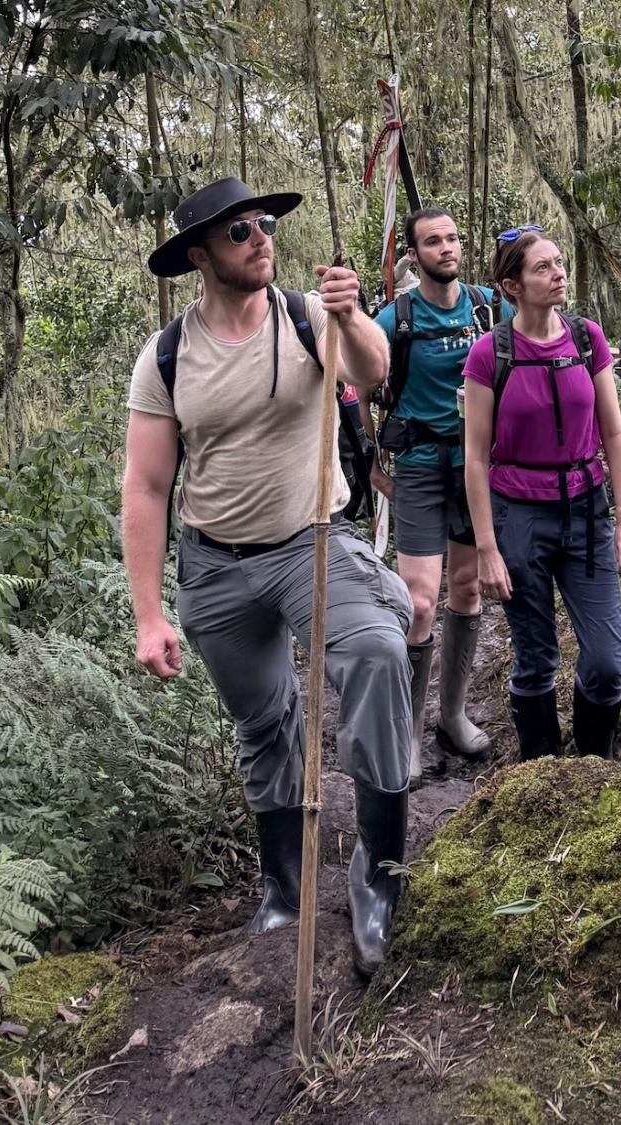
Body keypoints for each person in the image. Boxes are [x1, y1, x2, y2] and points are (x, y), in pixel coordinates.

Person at [122, 176, 409, 978]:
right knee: (265, 724)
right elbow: (146, 487)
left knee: (378, 654)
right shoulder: (168, 357)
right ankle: (283, 887)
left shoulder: (304, 316)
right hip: (216, 564)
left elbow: (372, 372)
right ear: (199, 256)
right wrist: (150, 614)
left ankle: (380, 874)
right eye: (239, 230)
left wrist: (351, 316)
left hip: (311, 539)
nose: (259, 238)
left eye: (262, 225)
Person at [461, 228, 621, 759]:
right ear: (511, 286)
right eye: (543, 267)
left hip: (587, 512)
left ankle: (593, 766)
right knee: (536, 657)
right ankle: (540, 772)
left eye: (559, 263)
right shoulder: (489, 355)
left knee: (608, 661)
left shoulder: (586, 339)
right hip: (518, 517)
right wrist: (487, 549)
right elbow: (475, 457)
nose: (558, 273)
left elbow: (614, 434)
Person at [371, 209, 513, 786]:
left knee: (466, 587)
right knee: (420, 601)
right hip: (421, 466)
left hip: (475, 467)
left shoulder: (486, 309)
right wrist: (371, 466)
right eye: (433, 241)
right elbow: (356, 384)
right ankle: (406, 729)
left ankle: (452, 715)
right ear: (413, 255)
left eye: (453, 237)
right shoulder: (394, 318)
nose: (446, 248)